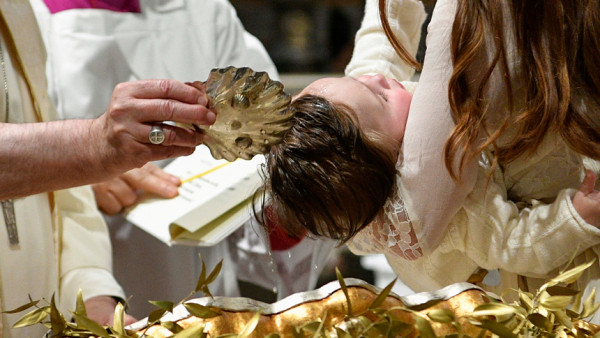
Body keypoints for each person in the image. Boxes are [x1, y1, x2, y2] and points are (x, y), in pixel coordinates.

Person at [28, 0, 344, 317]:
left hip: (200, 295)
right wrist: (73, 171)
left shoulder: (206, 13)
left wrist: (291, 193)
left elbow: (263, 174)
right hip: (73, 285)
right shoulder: (22, 19)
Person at [0, 0, 215, 337]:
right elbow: (71, 158)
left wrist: (91, 294)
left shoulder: (15, 9)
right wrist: (92, 146)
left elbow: (62, 200)